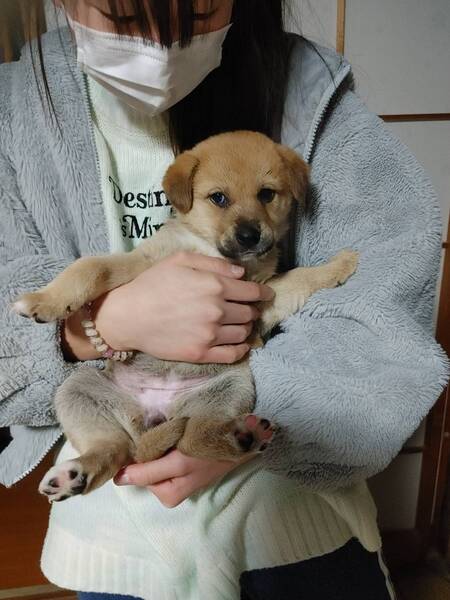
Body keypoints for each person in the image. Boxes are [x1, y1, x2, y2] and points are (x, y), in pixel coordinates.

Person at [0, 1, 448, 598]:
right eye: (125, 18)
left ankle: (213, 433)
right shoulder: (15, 111)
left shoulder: (312, 93)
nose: (160, 44)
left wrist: (274, 421)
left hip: (291, 511)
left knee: (233, 393)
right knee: (76, 394)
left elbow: (380, 295)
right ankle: (108, 453)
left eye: (199, 11)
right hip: (119, 532)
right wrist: (100, 323)